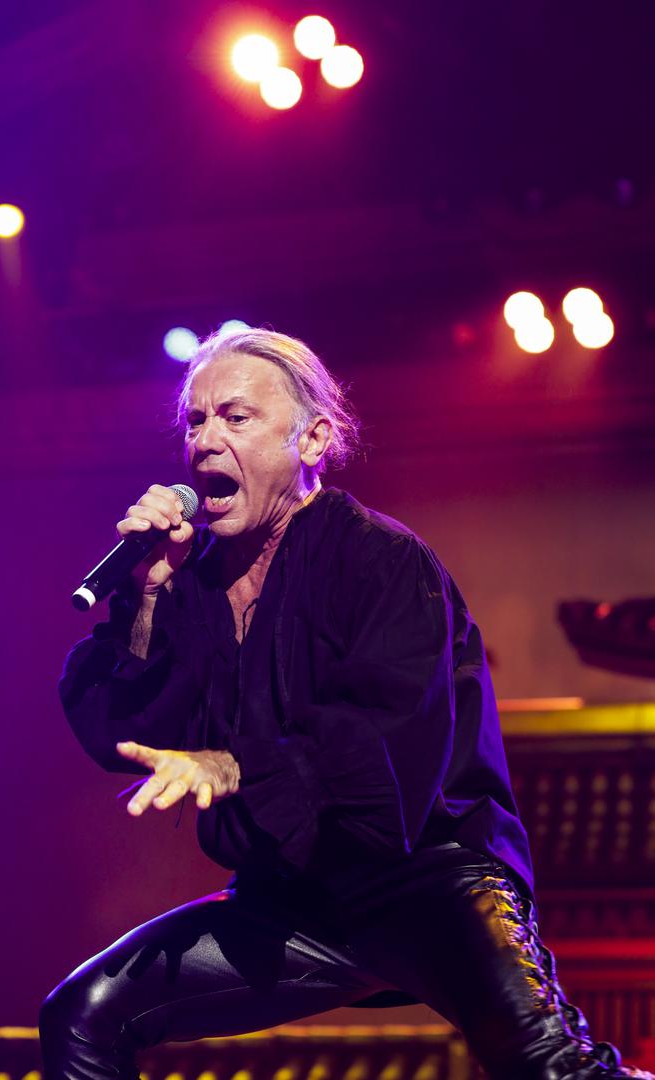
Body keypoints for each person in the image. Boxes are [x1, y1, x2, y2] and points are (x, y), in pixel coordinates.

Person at [40, 329, 652, 1080]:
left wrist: (232, 766)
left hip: (429, 882)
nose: (204, 441)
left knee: (555, 1070)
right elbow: (124, 726)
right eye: (195, 421)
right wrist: (146, 596)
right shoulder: (189, 583)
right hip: (291, 901)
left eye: (235, 417)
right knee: (82, 1016)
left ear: (313, 439)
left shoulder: (383, 560)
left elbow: (378, 738)